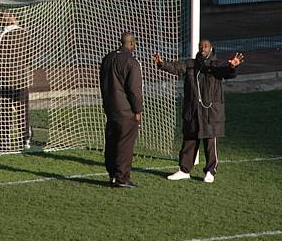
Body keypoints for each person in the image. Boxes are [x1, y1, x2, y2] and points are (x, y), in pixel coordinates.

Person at [152, 39, 244, 183]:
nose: (203, 48)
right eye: (201, 46)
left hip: (210, 113)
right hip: (193, 111)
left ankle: (210, 172)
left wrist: (232, 67)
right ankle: (184, 170)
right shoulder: (191, 64)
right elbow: (176, 67)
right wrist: (162, 64)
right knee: (189, 141)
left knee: (210, 143)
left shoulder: (215, 66)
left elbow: (227, 71)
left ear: (211, 48)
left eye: (206, 46)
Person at [99, 32, 143, 188]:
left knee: (111, 142)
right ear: (131, 44)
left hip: (110, 108)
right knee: (125, 145)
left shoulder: (107, 58)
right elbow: (134, 90)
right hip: (125, 110)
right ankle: (122, 178)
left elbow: (102, 83)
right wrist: (138, 110)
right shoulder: (132, 62)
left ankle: (112, 175)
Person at [0, 10, 33, 150]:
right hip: (21, 79)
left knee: (3, 110)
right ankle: (25, 139)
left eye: (2, 14)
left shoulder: (3, 34)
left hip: (5, 80)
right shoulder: (26, 33)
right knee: (23, 110)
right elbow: (30, 55)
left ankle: (4, 139)